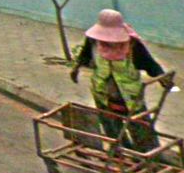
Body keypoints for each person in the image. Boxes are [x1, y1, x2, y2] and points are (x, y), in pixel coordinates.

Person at [70, 9, 170, 152]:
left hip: (129, 95)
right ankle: (119, 151)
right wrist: (76, 68)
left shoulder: (132, 46)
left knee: (140, 127)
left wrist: (162, 77)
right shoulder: (93, 41)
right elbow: (84, 55)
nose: (108, 42)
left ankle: (149, 154)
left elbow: (150, 63)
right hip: (103, 92)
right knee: (112, 127)